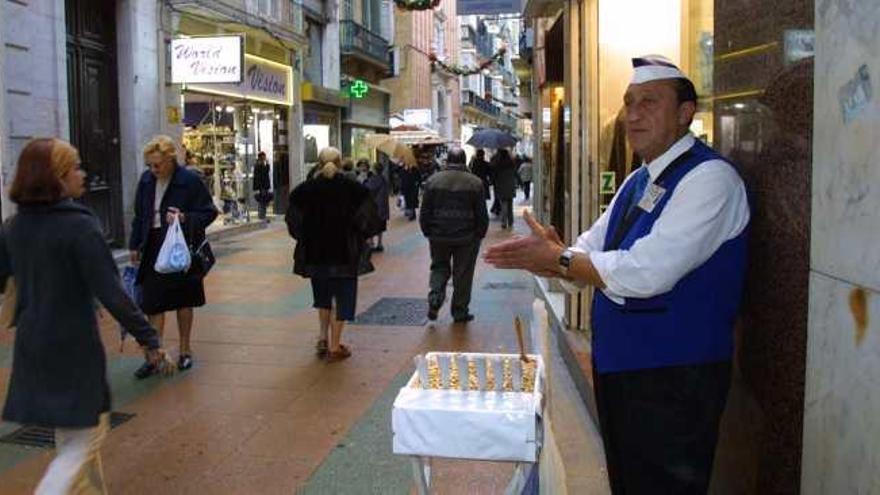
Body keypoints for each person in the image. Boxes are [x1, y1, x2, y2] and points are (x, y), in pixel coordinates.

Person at [485, 55, 750, 493]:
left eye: (649, 102)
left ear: (686, 114)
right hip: (624, 370)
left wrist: (559, 259)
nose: (632, 114)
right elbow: (591, 246)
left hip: (675, 377)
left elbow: (646, 272)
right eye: (629, 102)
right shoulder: (637, 181)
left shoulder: (711, 180)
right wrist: (562, 254)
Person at [0, 138, 167, 494]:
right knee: (85, 438)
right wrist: (149, 338)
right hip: (73, 345)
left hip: (32, 344)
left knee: (71, 435)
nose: (83, 173)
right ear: (56, 177)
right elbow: (112, 293)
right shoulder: (80, 225)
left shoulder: (13, 227)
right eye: (75, 167)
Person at [129, 135, 218, 377]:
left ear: (170, 160)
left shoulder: (189, 180)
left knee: (183, 300)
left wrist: (184, 218)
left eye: (157, 164)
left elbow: (209, 212)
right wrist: (134, 245)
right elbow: (139, 216)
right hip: (153, 243)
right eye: (149, 165)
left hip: (180, 246)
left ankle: (185, 351)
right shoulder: (146, 181)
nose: (153, 169)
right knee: (152, 302)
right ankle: (154, 355)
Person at [285, 147, 383, 362]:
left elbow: (293, 223)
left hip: (315, 254)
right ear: (340, 164)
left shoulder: (303, 191)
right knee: (343, 298)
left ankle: (322, 337)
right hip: (345, 255)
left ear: (318, 165)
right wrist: (361, 235)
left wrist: (307, 237)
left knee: (322, 297)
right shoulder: (354, 190)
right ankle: (335, 345)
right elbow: (369, 221)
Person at [419, 147, 489, 323]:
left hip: (438, 235)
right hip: (466, 237)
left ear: (447, 161)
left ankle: (435, 297)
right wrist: (480, 233)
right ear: (464, 161)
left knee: (439, 267)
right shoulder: (475, 183)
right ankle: (459, 311)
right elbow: (481, 213)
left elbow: (425, 211)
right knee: (463, 274)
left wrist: (427, 230)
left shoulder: (433, 181)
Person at [364, 161, 390, 252]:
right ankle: (380, 243)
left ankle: (371, 243)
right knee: (381, 227)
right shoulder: (383, 179)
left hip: (374, 207)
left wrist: (365, 180)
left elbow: (368, 189)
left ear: (374, 169)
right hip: (382, 207)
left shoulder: (373, 179)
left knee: (371, 226)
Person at [490, 148, 517, 229]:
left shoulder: (498, 164)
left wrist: (492, 181)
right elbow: (515, 174)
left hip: (501, 185)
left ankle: (504, 222)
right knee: (510, 205)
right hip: (511, 185)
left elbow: (494, 175)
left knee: (504, 204)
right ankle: (511, 221)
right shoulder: (511, 163)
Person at [253, 151, 272, 220]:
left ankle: (262, 215)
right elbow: (263, 175)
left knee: (263, 201)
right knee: (262, 201)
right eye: (264, 156)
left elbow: (266, 172)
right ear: (261, 157)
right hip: (262, 187)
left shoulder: (261, 165)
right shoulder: (259, 165)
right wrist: (261, 188)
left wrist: (267, 164)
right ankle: (261, 216)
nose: (265, 158)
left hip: (263, 186)